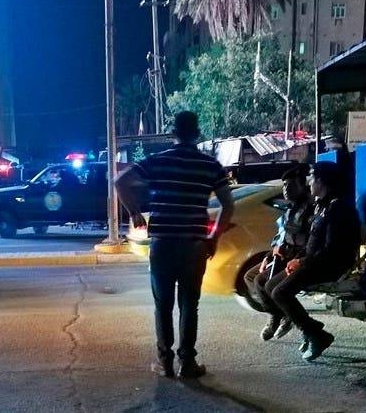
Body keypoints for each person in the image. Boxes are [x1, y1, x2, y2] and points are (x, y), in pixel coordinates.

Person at [115, 111, 234, 379]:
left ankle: (165, 362)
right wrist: (213, 238)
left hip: (163, 244)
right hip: (194, 245)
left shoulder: (158, 161)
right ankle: (187, 363)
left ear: (173, 133)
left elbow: (119, 182)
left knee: (163, 305)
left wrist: (134, 211)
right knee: (190, 304)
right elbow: (229, 206)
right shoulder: (210, 165)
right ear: (197, 133)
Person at [264, 161, 360, 361]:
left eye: (312, 178)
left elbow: (332, 251)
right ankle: (311, 328)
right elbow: (311, 243)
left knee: (280, 292)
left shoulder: (338, 209)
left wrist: (302, 262)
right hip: (313, 262)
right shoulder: (321, 206)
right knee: (271, 285)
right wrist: (298, 259)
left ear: (323, 181)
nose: (309, 183)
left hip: (330, 265)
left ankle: (315, 334)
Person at [243, 164, 315, 341]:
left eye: (289, 185)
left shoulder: (309, 209)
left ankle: (283, 316)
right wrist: (271, 254)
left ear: (301, 185)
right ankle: (278, 315)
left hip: (297, 258)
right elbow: (281, 235)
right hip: (283, 254)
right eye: (283, 186)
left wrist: (293, 257)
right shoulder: (290, 208)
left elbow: (310, 242)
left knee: (264, 283)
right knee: (250, 277)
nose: (285, 190)